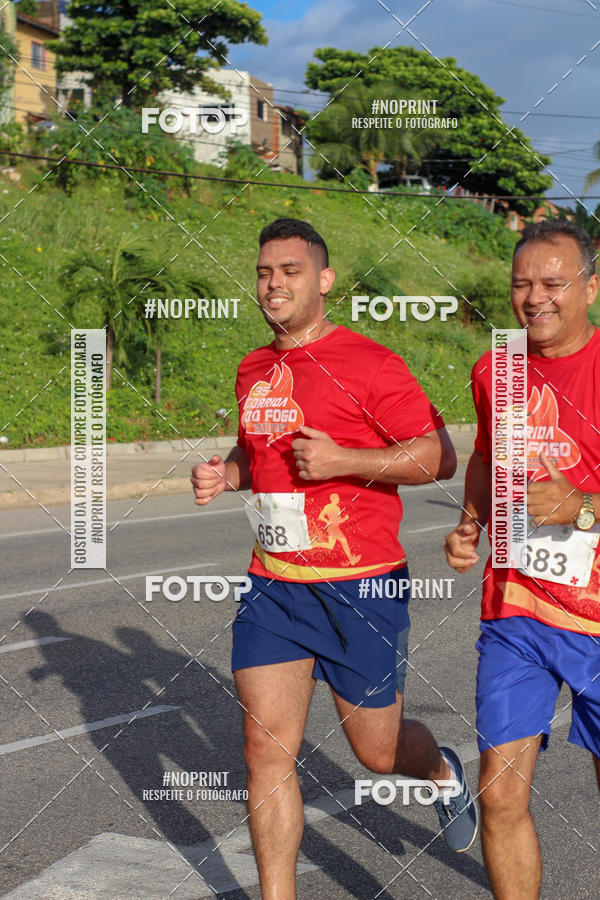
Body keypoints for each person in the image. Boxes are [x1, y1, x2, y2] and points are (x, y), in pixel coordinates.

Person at [192, 217, 478, 898]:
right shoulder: (254, 368)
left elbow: (439, 455)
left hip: (361, 587)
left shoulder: (371, 364)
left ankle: (439, 769)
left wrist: (345, 459)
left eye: (290, 271)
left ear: (324, 280)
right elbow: (254, 455)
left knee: (377, 754)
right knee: (265, 752)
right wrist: (227, 474)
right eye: (264, 272)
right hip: (275, 587)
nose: (273, 284)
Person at [445, 218, 600, 899]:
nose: (534, 297)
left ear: (590, 287)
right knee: (500, 796)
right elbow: (484, 454)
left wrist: (580, 508)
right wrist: (470, 520)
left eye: (553, 283)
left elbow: (576, 507)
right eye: (520, 284)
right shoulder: (496, 368)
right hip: (517, 613)